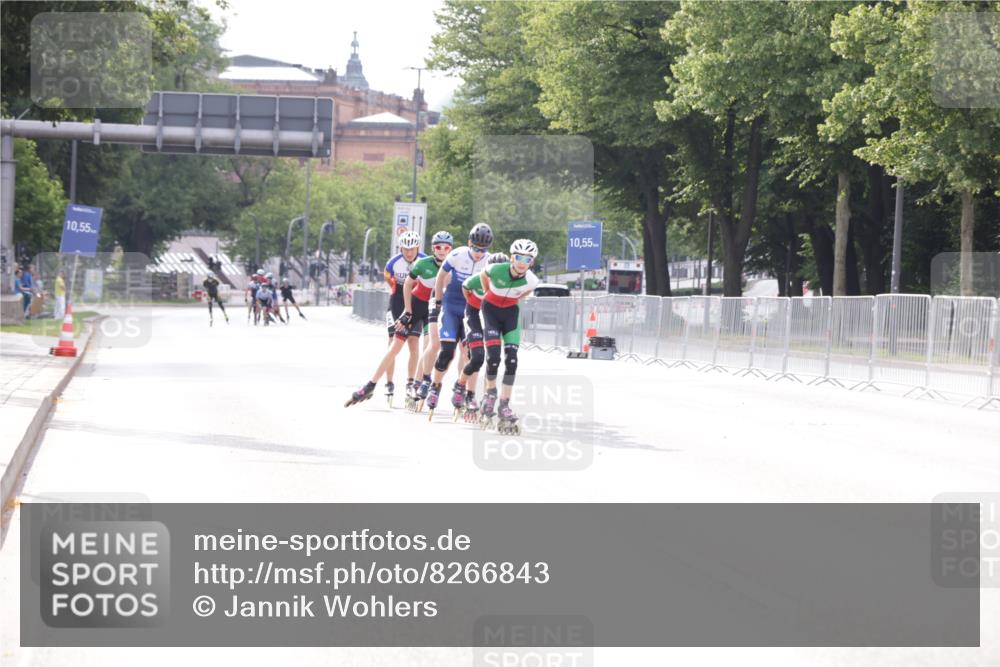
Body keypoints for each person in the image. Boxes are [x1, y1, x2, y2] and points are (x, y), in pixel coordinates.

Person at [345, 231, 453, 408]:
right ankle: (370, 385)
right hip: (417, 304)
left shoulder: (452, 264)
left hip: (434, 308)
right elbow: (407, 285)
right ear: (433, 248)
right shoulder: (423, 263)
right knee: (395, 346)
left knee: (429, 345)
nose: (442, 250)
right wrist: (408, 311)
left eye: (446, 248)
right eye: (438, 247)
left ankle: (415, 384)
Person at [424, 223, 493, 415]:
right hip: (451, 307)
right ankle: (435, 386)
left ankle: (468, 393)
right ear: (469, 243)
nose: (479, 253)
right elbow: (440, 277)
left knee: (471, 354)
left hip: (470, 311)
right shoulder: (457, 255)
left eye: (483, 249)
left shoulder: (489, 262)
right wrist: (438, 302)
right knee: (447, 352)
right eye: (476, 248)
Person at [477, 239, 541, 433]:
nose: (522, 262)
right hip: (490, 311)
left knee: (512, 360)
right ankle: (490, 394)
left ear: (532, 262)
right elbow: (483, 274)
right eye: (519, 257)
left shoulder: (531, 280)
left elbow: (527, 291)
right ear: (512, 257)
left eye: (527, 259)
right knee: (494, 357)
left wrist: (514, 297)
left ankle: (504, 404)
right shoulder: (496, 268)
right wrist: (488, 292)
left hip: (510, 314)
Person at [450, 252, 508, 422]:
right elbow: (465, 290)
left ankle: (487, 397)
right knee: (477, 357)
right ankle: (460, 386)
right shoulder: (476, 280)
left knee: (493, 358)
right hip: (474, 314)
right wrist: (472, 306)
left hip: (493, 317)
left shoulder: (507, 285)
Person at [381, 231, 425, 404]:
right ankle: (389, 383)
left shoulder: (424, 260)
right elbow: (388, 279)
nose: (409, 253)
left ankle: (410, 382)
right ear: (401, 248)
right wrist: (396, 288)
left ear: (417, 248)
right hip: (397, 299)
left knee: (413, 342)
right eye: (406, 249)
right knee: (392, 342)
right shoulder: (393, 263)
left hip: (416, 301)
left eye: (412, 249)